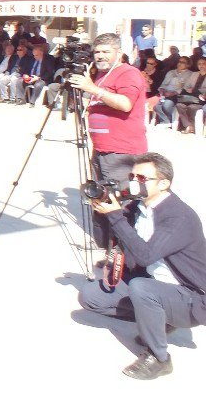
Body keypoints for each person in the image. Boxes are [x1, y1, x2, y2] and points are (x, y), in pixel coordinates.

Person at [78, 153, 206, 380]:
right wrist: (104, 214)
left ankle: (159, 359)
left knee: (141, 288)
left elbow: (145, 256)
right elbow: (117, 244)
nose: (135, 181)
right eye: (132, 176)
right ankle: (157, 319)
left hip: (192, 297)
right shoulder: (139, 207)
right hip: (154, 282)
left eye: (143, 178)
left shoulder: (179, 217)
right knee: (90, 297)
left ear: (164, 183)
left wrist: (116, 216)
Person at [69, 32, 147, 184]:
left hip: (121, 150)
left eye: (106, 52)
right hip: (101, 148)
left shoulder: (128, 73)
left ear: (119, 53)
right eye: (97, 52)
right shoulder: (102, 74)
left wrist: (93, 89)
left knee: (118, 200)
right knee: (101, 198)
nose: (100, 56)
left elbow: (125, 104)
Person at [153, 56, 195, 126]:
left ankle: (166, 122)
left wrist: (173, 93)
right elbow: (163, 84)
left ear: (188, 65)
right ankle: (166, 121)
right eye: (179, 61)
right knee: (156, 106)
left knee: (167, 105)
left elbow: (186, 88)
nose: (180, 63)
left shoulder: (190, 74)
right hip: (165, 93)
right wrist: (162, 90)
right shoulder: (171, 72)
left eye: (183, 62)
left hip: (178, 95)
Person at [175, 58, 206, 134]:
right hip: (190, 97)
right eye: (199, 64)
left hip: (201, 99)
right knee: (179, 105)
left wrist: (197, 91)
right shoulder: (194, 74)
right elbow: (186, 86)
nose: (201, 66)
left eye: (203, 64)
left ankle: (192, 126)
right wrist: (189, 89)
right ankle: (189, 126)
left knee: (192, 108)